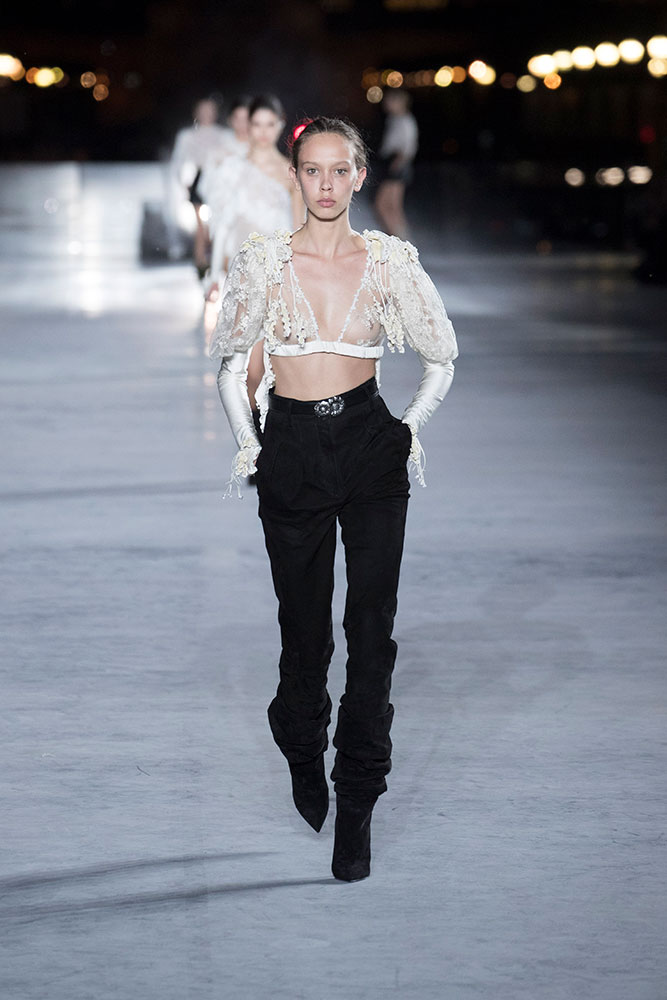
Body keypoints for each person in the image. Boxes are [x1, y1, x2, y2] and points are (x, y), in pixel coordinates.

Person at [209, 117, 458, 882]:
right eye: (311, 170)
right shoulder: (263, 262)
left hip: (368, 443)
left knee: (371, 630)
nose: (324, 183)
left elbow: (441, 358)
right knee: (305, 631)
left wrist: (404, 431)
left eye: (338, 169)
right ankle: (298, 736)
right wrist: (252, 445)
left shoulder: (388, 261)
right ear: (295, 176)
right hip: (290, 447)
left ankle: (357, 801)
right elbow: (231, 365)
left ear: (357, 176)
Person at [202, 95, 304, 416]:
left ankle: (265, 435)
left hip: (280, 271)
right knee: (247, 366)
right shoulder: (233, 168)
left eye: (269, 124)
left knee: (277, 364)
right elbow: (222, 225)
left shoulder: (291, 172)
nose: (262, 132)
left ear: (281, 125)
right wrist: (214, 274)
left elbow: (299, 227)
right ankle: (253, 435)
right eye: (256, 124)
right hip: (244, 271)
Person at [169, 98, 232, 277]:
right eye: (203, 110)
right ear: (196, 112)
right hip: (198, 181)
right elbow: (178, 161)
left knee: (216, 224)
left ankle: (217, 260)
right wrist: (183, 183)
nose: (206, 114)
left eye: (210, 110)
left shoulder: (224, 135)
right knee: (200, 225)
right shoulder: (187, 135)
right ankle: (201, 262)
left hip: (218, 184)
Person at [374, 89, 419, 240]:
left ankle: (401, 242)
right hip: (391, 162)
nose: (386, 104)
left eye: (390, 101)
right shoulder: (394, 119)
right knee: (388, 206)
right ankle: (398, 240)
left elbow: (409, 146)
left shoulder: (405, 120)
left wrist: (399, 162)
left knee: (387, 205)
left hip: (397, 163)